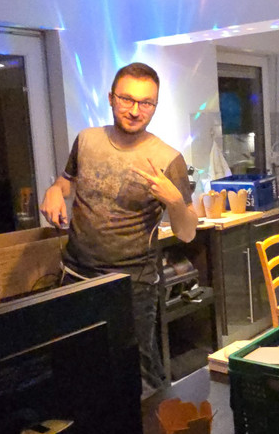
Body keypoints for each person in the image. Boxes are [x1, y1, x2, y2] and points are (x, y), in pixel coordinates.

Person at [40, 62, 197, 391]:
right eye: (127, 99)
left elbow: (187, 232)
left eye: (146, 103)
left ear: (155, 106)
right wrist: (55, 190)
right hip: (75, 275)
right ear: (111, 98)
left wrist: (174, 200)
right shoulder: (87, 140)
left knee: (137, 373)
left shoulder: (168, 159)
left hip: (131, 285)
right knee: (77, 367)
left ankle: (155, 423)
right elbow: (68, 181)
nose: (136, 111)